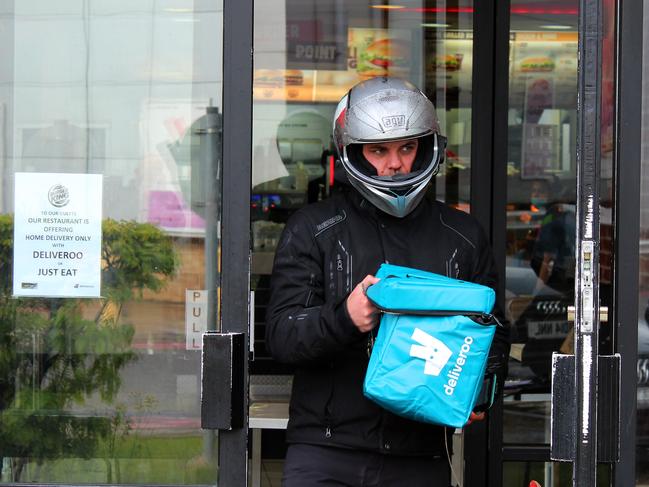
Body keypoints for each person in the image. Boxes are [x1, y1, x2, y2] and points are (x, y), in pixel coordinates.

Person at [266, 77, 510, 487]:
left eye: (406, 147)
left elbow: (494, 332)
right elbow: (281, 337)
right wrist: (346, 316)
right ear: (353, 154)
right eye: (378, 150)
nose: (394, 164)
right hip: (326, 452)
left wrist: (482, 387)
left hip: (422, 451)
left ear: (428, 147)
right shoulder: (314, 228)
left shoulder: (463, 236)